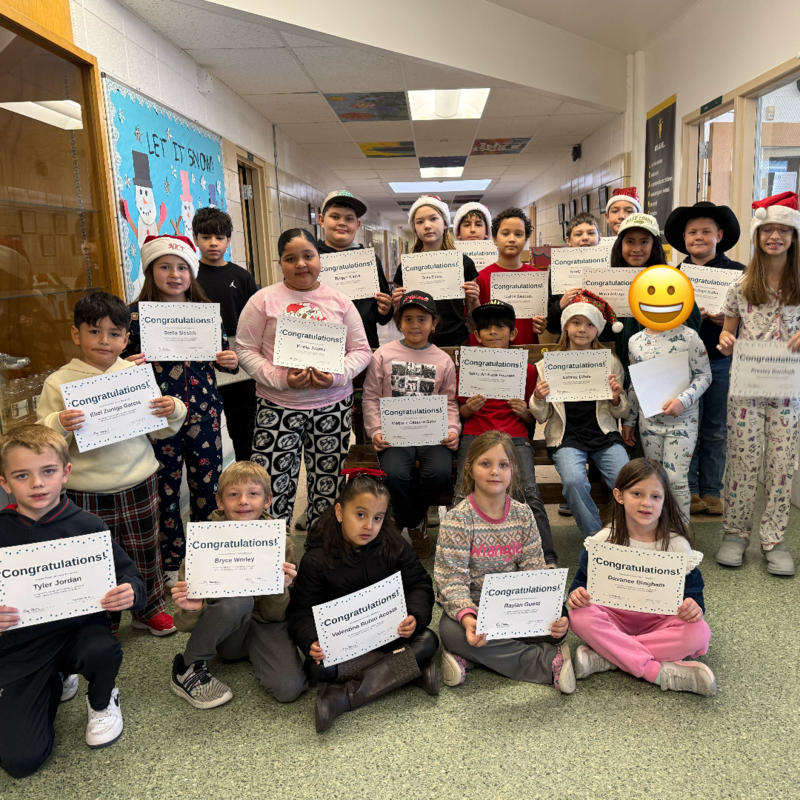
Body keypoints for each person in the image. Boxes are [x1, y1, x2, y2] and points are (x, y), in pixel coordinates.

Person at [0, 426, 146, 778]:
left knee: (102, 649)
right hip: (23, 649)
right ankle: (53, 680)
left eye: (48, 471)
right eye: (22, 475)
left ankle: (102, 700)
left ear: (65, 473)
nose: (37, 483)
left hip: (78, 635)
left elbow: (132, 579)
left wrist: (128, 592)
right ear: (5, 483)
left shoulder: (89, 525)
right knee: (21, 762)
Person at [37, 290, 185, 636]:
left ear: (126, 339)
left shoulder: (134, 375)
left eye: (114, 334)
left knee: (145, 547)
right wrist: (60, 422)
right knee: (96, 554)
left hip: (138, 479)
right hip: (86, 488)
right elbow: (43, 441)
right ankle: (102, 618)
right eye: (94, 331)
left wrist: (172, 407)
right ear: (76, 334)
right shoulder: (59, 382)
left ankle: (148, 606)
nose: (104, 341)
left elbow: (162, 428)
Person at [235, 229, 372, 531]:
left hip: (332, 407)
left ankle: (321, 552)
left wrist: (337, 376)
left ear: (319, 259)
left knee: (329, 483)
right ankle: (277, 556)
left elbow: (361, 350)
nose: (300, 264)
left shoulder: (339, 301)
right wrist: (280, 378)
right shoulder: (263, 301)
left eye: (308, 256)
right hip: (278, 405)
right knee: (272, 484)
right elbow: (244, 348)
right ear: (280, 263)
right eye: (290, 258)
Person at [122, 235, 238, 588]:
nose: (175, 274)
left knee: (207, 487)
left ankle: (205, 558)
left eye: (182, 268)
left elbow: (223, 360)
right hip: (157, 418)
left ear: (192, 272)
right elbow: (114, 365)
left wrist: (230, 360)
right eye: (165, 267)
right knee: (166, 490)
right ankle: (172, 563)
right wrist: (125, 364)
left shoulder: (204, 313)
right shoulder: (134, 318)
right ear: (149, 272)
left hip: (203, 414)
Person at [286, 472, 439, 732]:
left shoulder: (394, 545)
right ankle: (407, 670)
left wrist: (414, 614)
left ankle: (344, 697)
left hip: (391, 635)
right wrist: (311, 640)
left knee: (428, 640)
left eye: (377, 518)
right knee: (317, 669)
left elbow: (419, 584)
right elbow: (300, 612)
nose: (369, 525)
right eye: (360, 514)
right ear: (339, 512)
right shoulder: (316, 559)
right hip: (346, 645)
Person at [434, 431, 574, 692]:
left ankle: (472, 659)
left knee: (558, 628)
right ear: (470, 469)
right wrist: (467, 619)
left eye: (503, 465)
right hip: (472, 609)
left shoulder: (523, 515)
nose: (494, 471)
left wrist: (556, 614)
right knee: (451, 634)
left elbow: (534, 571)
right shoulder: (458, 519)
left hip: (514, 607)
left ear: (513, 470)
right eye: (485, 464)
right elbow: (451, 581)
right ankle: (546, 662)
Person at [568, 458, 716, 697]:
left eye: (656, 497)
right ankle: (658, 672)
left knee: (699, 632)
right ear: (619, 495)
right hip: (613, 616)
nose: (646, 503)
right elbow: (580, 585)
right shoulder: (603, 540)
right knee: (578, 616)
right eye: (637, 493)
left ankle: (610, 656)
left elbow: (693, 592)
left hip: (659, 621)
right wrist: (577, 595)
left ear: (664, 500)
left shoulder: (677, 545)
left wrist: (694, 606)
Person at [170, 461, 307, 708]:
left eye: (253, 494)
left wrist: (280, 589)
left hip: (266, 625)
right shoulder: (203, 542)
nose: (243, 501)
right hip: (227, 634)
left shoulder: (282, 542)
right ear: (220, 502)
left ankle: (259, 654)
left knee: (289, 688)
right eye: (234, 495)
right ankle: (187, 666)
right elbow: (182, 623)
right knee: (239, 600)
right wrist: (192, 608)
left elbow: (276, 614)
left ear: (267, 500)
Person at [716, 191, 800, 577]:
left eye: (784, 230)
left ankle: (774, 539)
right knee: (743, 463)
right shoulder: (740, 285)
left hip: (787, 392)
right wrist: (726, 341)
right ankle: (735, 534)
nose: (775, 237)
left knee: (782, 465)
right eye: (768, 230)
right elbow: (727, 333)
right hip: (747, 389)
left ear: (794, 236)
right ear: (758, 235)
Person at [455, 299, 556, 565]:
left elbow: (530, 417)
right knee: (462, 492)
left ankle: (546, 558)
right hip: (476, 433)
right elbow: (462, 413)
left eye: (500, 327)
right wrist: (470, 408)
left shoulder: (527, 369)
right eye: (486, 329)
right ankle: (457, 556)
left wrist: (523, 409)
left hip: (514, 436)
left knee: (528, 491)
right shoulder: (469, 366)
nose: (493, 333)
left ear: (512, 333)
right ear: (476, 335)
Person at [362, 291, 459, 559]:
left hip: (433, 434)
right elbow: (370, 397)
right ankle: (417, 524)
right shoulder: (383, 354)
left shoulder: (443, 360)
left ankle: (405, 518)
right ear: (398, 322)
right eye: (408, 319)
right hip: (394, 435)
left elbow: (450, 402)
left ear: (434, 323)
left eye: (422, 319)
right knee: (393, 475)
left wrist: (453, 431)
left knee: (440, 474)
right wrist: (376, 431)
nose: (415, 325)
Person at [665, 201, 745, 517]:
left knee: (715, 428)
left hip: (721, 361)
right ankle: (691, 490)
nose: (699, 237)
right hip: (682, 363)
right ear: (684, 238)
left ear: (720, 235)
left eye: (706, 232)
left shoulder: (739, 274)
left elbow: (752, 319)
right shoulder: (673, 275)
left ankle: (712, 491)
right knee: (686, 427)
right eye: (692, 232)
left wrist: (728, 321)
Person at [530, 292, 629, 538]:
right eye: (576, 322)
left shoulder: (611, 362)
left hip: (604, 434)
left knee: (626, 480)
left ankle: (627, 534)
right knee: (574, 482)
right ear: (565, 326)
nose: (582, 329)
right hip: (566, 437)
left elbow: (623, 410)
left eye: (589, 324)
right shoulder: (547, 365)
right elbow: (541, 416)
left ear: (598, 330)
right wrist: (539, 397)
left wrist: (616, 397)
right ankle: (596, 539)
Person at [622, 313, 711, 522]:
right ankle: (658, 529)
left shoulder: (690, 337)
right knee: (655, 479)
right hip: (649, 422)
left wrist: (683, 400)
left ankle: (681, 532)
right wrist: (629, 420)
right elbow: (635, 383)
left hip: (683, 421)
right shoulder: (635, 341)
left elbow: (704, 375)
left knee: (675, 479)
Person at [193, 206, 259, 463]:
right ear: (196, 238)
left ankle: (248, 476)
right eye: (206, 237)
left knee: (244, 430)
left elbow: (256, 322)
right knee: (204, 431)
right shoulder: (189, 275)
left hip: (237, 362)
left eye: (220, 237)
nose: (213, 243)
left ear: (229, 240)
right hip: (199, 363)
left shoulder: (241, 277)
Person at [611, 213, 702, 373]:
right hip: (623, 373)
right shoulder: (607, 282)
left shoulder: (671, 280)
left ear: (654, 245)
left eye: (644, 242)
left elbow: (693, 321)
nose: (636, 249)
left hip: (667, 371)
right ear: (620, 245)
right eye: (629, 241)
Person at [392, 195, 480, 347]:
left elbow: (474, 318)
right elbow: (400, 318)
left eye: (433, 219)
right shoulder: (406, 267)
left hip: (456, 341)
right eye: (420, 221)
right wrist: (398, 305)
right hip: (417, 342)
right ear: (415, 229)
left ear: (445, 223)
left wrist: (474, 299)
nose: (427, 225)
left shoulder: (464, 263)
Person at [316, 190, 394, 349]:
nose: (342, 223)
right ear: (321, 220)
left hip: (364, 347)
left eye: (349, 218)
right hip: (322, 348)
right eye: (335, 217)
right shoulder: (309, 258)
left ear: (357, 224)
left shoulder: (369, 260)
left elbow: (383, 317)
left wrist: (386, 309)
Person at [471, 207, 546, 345]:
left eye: (518, 234)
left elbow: (539, 318)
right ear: (494, 238)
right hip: (493, 354)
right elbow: (475, 323)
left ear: (526, 239)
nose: (512, 239)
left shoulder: (537, 276)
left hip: (528, 348)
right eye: (505, 234)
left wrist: (542, 324)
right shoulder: (482, 278)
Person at [545, 211, 604, 337]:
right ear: (568, 240)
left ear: (599, 239)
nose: (585, 238)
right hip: (569, 343)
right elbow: (550, 326)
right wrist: (560, 305)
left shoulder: (610, 268)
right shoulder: (556, 272)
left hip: (604, 341)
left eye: (591, 233)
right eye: (578, 234)